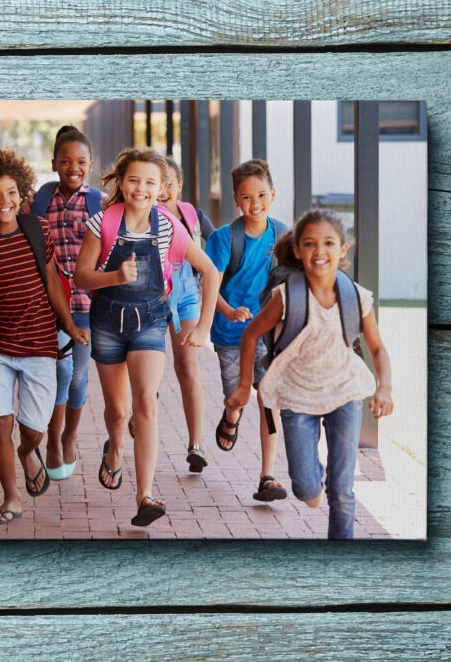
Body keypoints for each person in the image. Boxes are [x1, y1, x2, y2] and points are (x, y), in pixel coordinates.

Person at [226, 209, 394, 539]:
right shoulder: (286, 297)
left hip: (344, 393)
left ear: (344, 249)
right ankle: (311, 479)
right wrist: (245, 385)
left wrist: (385, 387)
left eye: (329, 243)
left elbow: (377, 348)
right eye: (310, 244)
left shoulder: (357, 297)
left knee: (342, 490)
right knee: (306, 489)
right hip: (296, 396)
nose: (320, 252)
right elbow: (250, 335)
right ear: (299, 250)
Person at [74, 147, 220, 527]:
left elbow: (211, 270)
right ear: (121, 183)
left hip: (151, 321)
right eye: (134, 180)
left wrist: (203, 327)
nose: (141, 188)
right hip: (107, 323)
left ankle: (145, 495)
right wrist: (115, 278)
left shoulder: (169, 227)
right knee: (119, 412)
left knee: (146, 405)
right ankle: (115, 449)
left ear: (162, 188)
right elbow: (82, 277)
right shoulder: (102, 223)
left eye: (150, 182)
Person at [0, 149, 89, 525]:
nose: (4, 201)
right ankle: (11, 498)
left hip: (40, 343)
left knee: (33, 431)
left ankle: (28, 452)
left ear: (21, 194)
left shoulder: (35, 229)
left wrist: (69, 325)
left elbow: (54, 280)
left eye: (11, 192)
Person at [204, 159, 289, 502]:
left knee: (269, 400)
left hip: (267, 334)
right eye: (247, 198)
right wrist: (229, 310)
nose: (256, 205)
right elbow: (209, 285)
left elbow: (290, 281)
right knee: (236, 397)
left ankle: (267, 476)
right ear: (236, 200)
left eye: (262, 196)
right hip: (230, 335)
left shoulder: (283, 235)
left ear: (273, 195)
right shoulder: (225, 239)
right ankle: (230, 416)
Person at [25, 125, 103, 480]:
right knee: (61, 370)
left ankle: (71, 435)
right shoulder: (40, 201)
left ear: (91, 164)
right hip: (50, 304)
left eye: (82, 161)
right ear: (55, 162)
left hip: (89, 305)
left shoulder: (100, 203)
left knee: (79, 377)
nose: (74, 166)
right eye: (67, 160)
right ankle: (54, 439)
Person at [155, 157, 215, 472]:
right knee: (147, 368)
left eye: (170, 182)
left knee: (187, 364)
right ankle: (141, 409)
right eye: (157, 181)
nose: (163, 189)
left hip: (186, 296)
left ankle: (196, 443)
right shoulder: (143, 215)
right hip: (149, 299)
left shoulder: (194, 216)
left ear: (179, 185)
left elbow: (218, 250)